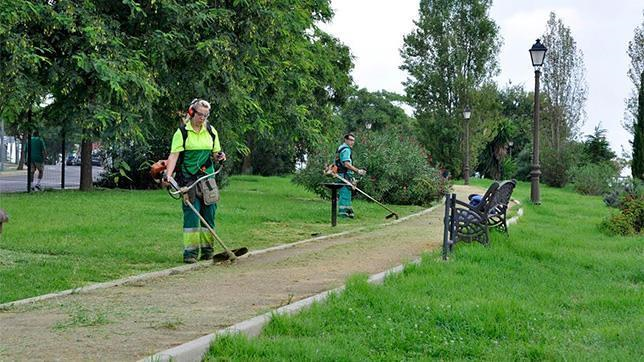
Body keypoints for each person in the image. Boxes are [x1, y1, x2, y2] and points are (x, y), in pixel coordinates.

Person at [163, 99, 226, 263]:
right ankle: (190, 254)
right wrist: (168, 176)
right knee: (192, 216)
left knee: (209, 214)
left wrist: (219, 156)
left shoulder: (211, 131)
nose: (202, 118)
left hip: (207, 179)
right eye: (199, 114)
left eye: (205, 115)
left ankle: (208, 251)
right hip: (188, 180)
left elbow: (215, 152)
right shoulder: (182, 133)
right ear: (191, 112)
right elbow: (174, 155)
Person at [335, 133, 366, 218]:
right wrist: (358, 171)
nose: (352, 142)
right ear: (346, 140)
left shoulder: (340, 148)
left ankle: (349, 213)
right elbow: (346, 164)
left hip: (341, 175)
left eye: (353, 141)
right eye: (351, 140)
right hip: (344, 176)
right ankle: (343, 215)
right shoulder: (346, 150)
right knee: (345, 195)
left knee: (346, 195)